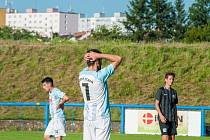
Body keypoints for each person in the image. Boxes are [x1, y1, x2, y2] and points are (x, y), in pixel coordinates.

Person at [79, 49, 122, 140]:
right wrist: (99, 55)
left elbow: (88, 67)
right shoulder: (100, 76)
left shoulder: (82, 74)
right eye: (100, 61)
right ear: (97, 62)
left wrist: (88, 57)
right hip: (101, 117)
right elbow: (118, 59)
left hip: (88, 117)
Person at [155, 72, 178, 140]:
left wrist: (176, 119)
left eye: (172, 79)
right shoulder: (161, 91)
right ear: (165, 79)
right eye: (170, 79)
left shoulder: (174, 92)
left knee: (172, 138)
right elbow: (156, 104)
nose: (172, 81)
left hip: (172, 118)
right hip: (164, 118)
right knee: (166, 137)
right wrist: (161, 115)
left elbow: (174, 106)